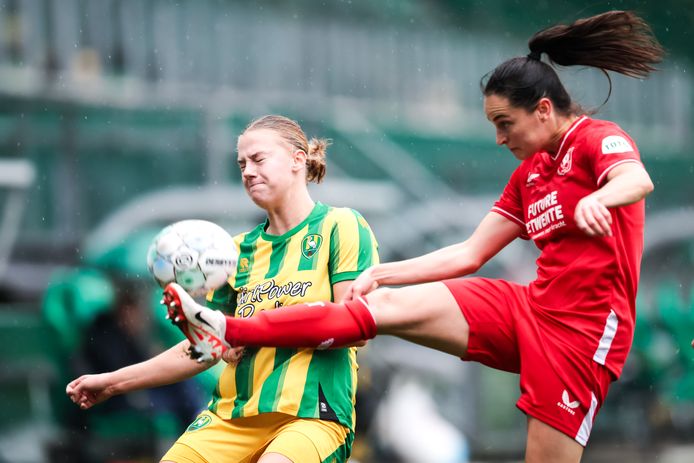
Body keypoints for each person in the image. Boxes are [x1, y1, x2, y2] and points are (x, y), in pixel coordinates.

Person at [162, 11, 663, 463]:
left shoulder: (596, 138)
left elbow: (636, 179)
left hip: (582, 335)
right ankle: (230, 328)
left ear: (545, 110)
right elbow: (469, 253)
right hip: (528, 307)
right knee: (381, 308)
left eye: (504, 123)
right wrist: (381, 273)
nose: (499, 138)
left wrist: (601, 198)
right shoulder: (530, 172)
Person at [67, 115, 380, 463]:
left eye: (259, 159)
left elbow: (356, 330)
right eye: (241, 163)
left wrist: (255, 330)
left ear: (298, 159)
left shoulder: (342, 225)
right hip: (230, 418)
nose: (247, 171)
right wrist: (112, 382)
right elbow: (205, 347)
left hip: (311, 418)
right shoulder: (232, 252)